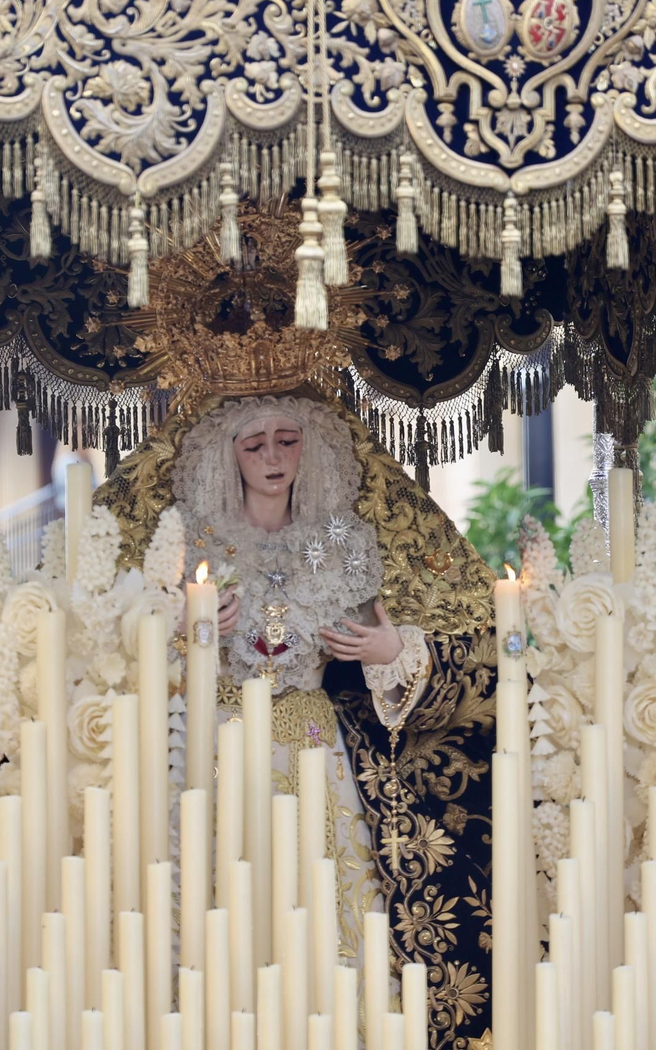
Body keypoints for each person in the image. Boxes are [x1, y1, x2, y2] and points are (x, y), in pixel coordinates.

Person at [100, 392, 498, 1050]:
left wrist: (387, 650)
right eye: (255, 444)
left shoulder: (342, 542)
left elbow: (402, 635)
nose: (273, 457)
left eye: (287, 440)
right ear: (228, 455)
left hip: (315, 739)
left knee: (324, 886)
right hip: (217, 739)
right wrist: (179, 628)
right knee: (217, 884)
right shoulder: (189, 543)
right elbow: (127, 649)